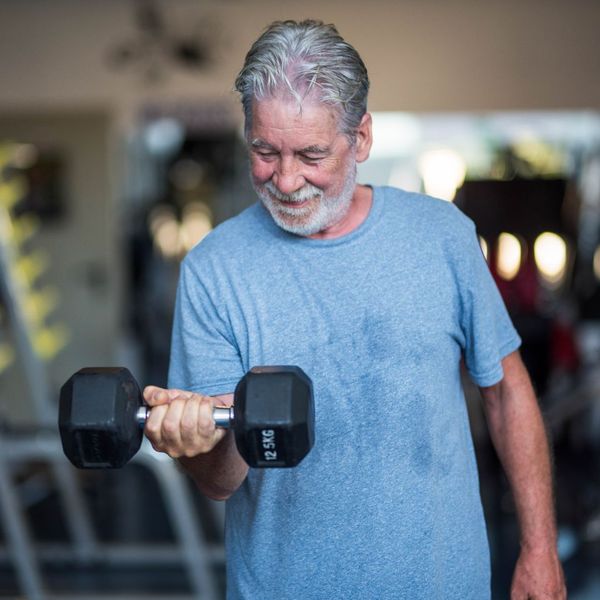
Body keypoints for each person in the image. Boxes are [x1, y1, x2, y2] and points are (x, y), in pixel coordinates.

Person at [142, 19, 566, 599]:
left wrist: (539, 549)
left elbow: (506, 389)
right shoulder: (214, 270)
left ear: (361, 138)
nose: (286, 179)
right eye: (264, 151)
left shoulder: (440, 236)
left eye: (311, 153)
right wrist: (195, 446)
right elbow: (222, 481)